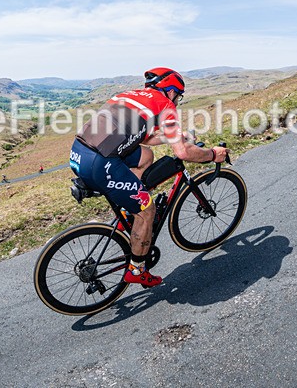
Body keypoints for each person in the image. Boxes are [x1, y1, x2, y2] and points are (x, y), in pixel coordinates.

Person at [69, 67, 227, 287]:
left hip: (79, 153)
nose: (177, 101)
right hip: (100, 163)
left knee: (146, 156)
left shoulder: (129, 95)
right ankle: (137, 269)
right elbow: (183, 153)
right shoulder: (165, 105)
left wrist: (175, 136)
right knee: (147, 211)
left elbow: (145, 139)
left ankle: (129, 208)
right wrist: (212, 154)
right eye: (178, 96)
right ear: (171, 91)